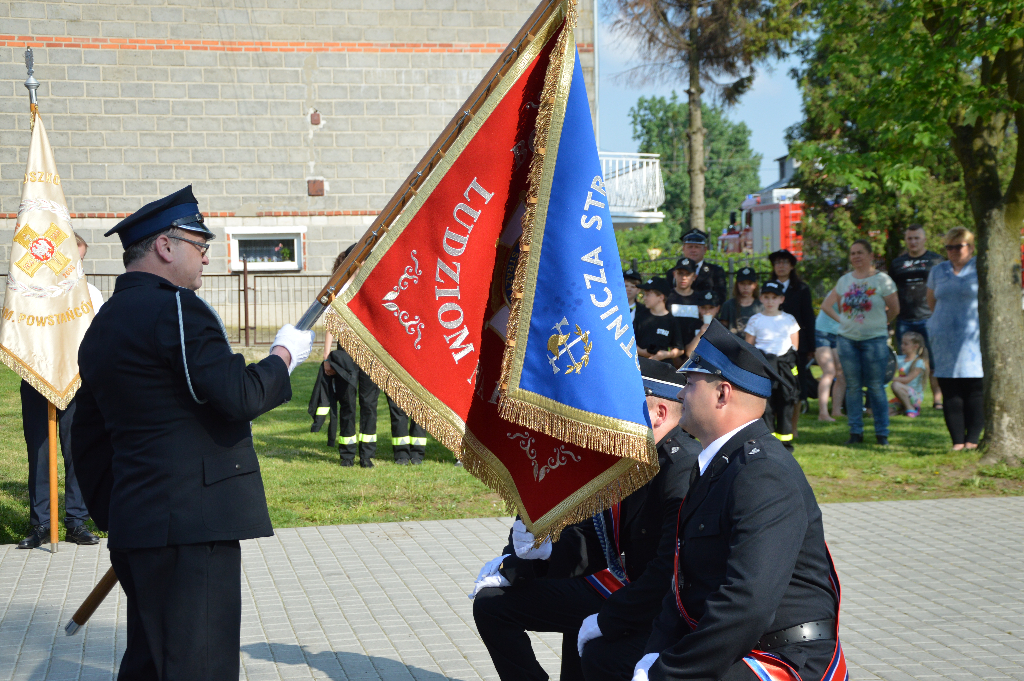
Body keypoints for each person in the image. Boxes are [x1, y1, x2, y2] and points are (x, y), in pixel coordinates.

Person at [71, 185, 314, 680]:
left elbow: (88, 438)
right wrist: (283, 357)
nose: (205, 258)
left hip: (139, 524)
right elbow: (238, 396)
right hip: (190, 526)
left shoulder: (103, 323)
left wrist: (121, 514)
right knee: (199, 667)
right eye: (199, 246)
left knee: (150, 664)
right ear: (165, 246)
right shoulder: (178, 310)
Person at [631, 320, 847, 681]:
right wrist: (655, 651)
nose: (681, 394)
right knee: (608, 655)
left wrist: (670, 671)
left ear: (722, 394)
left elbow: (748, 602)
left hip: (783, 655)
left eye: (690, 383)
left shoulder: (761, 473)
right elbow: (682, 579)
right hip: (743, 641)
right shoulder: (719, 463)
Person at [471, 359, 701, 681]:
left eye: (621, 403)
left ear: (657, 414)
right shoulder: (629, 457)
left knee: (593, 649)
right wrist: (538, 556)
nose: (610, 412)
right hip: (616, 586)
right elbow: (594, 539)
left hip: (652, 604)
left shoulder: (680, 470)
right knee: (492, 605)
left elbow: (667, 572)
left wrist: (609, 618)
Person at [17, 234, 104, 550]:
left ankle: (76, 523)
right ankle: (41, 524)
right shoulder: (33, 293)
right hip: (38, 380)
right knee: (39, 454)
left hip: (77, 383)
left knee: (76, 452)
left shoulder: (90, 294)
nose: (77, 267)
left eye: (81, 260)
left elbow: (99, 338)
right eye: (73, 259)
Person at [321, 249, 427, 466]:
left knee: (369, 405)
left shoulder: (374, 286)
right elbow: (332, 324)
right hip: (345, 355)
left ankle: (367, 455)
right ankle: (348, 455)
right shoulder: (341, 290)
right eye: (362, 262)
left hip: (370, 354)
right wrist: (326, 356)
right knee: (348, 404)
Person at [822, 239, 900, 446]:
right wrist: (844, 322)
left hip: (875, 340)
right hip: (847, 340)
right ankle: (855, 432)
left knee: (876, 386)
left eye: (860, 253)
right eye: (852, 253)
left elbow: (895, 308)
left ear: (870, 255)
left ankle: (882, 433)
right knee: (853, 387)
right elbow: (830, 306)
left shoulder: (882, 280)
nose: (856, 256)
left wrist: (881, 323)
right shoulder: (844, 281)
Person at [926, 227, 983, 450]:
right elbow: (932, 301)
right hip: (943, 339)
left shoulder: (980, 267)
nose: (952, 251)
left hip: (973, 339)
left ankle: (973, 440)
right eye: (948, 247)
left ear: (970, 247)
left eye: (957, 246)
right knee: (950, 389)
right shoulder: (938, 271)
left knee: (974, 388)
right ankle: (957, 442)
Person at [889, 224, 944, 408]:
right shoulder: (897, 263)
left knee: (934, 361)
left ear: (924, 239)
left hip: (929, 318)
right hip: (905, 319)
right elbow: (891, 292)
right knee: (905, 361)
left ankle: (937, 400)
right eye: (910, 238)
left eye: (916, 238)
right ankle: (906, 398)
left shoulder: (936, 260)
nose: (913, 242)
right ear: (906, 240)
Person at [744, 281, 801, 448]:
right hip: (764, 367)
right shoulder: (755, 320)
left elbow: (794, 345)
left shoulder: (789, 319)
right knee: (766, 405)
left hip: (784, 366)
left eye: (774, 297)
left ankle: (785, 441)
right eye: (767, 297)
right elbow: (749, 346)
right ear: (761, 298)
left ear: (781, 299)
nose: (770, 301)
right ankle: (768, 441)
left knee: (785, 401)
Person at [767, 249, 815, 434]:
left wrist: (811, 346)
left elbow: (808, 317)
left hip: (796, 347)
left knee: (796, 387)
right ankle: (774, 427)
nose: (781, 266)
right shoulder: (767, 288)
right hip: (770, 348)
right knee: (774, 390)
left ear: (792, 266)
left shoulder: (802, 289)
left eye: (785, 262)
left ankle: (792, 427)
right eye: (778, 262)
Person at [635, 278, 686, 365]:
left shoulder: (671, 321)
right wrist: (643, 352)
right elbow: (630, 341)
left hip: (662, 367)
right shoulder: (640, 316)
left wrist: (665, 354)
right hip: (640, 365)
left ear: (661, 297)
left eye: (647, 295)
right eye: (644, 295)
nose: (644, 298)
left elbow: (680, 350)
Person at [813, 294, 845, 422]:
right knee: (829, 372)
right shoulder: (840, 288)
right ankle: (823, 414)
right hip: (821, 332)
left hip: (838, 334)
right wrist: (844, 321)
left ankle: (836, 411)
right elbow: (825, 306)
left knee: (841, 374)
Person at [678, 228, 727, 299]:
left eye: (697, 247)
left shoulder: (715, 272)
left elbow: (720, 298)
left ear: (705, 250)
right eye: (690, 247)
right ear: (683, 249)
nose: (693, 250)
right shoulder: (673, 273)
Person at [665, 258, 703, 343]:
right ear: (674, 274)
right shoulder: (666, 297)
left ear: (694, 277)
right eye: (680, 274)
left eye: (688, 274)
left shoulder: (700, 299)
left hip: (694, 348)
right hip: (671, 348)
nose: (684, 278)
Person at [718, 267, 762, 337]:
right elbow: (722, 329)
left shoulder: (761, 306)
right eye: (742, 283)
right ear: (737, 284)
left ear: (755, 285)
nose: (745, 287)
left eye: (749, 284)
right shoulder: (728, 305)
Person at [891, 332, 927, 418]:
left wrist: (890, 378)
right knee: (885, 413)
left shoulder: (919, 362)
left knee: (895, 385)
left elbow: (907, 379)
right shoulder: (899, 359)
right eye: (902, 343)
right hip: (901, 395)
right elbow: (890, 369)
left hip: (915, 397)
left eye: (906, 344)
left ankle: (910, 407)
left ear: (915, 346)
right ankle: (902, 408)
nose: (902, 346)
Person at [684, 290, 723, 357]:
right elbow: (689, 353)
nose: (707, 311)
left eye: (711, 308)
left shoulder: (722, 327)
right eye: (703, 308)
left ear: (718, 309)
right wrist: (700, 334)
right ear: (698, 308)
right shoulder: (692, 326)